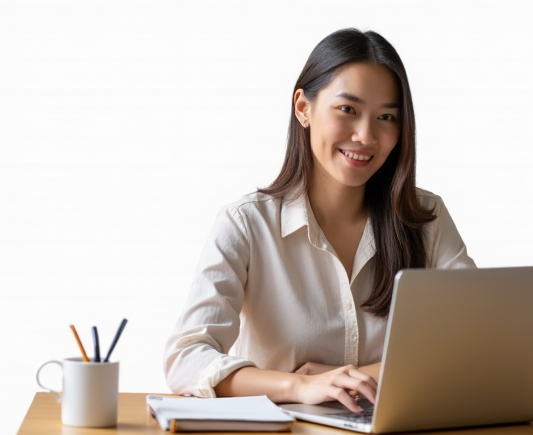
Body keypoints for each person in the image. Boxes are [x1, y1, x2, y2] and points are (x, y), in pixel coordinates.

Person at [163, 28, 475, 413]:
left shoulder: (424, 219)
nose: (366, 135)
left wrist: (359, 376)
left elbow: (475, 341)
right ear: (303, 108)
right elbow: (187, 359)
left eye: (386, 117)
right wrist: (301, 386)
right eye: (348, 110)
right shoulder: (246, 224)